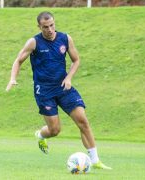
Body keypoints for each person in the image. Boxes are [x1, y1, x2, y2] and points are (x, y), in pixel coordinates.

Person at [6, 11, 111, 170]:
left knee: (83, 121)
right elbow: (18, 60)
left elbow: (76, 60)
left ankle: (95, 160)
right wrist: (12, 78)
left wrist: (69, 78)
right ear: (39, 27)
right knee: (55, 130)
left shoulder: (65, 39)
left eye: (52, 25)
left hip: (63, 86)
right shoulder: (34, 42)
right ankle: (41, 135)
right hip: (44, 91)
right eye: (45, 27)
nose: (49, 29)